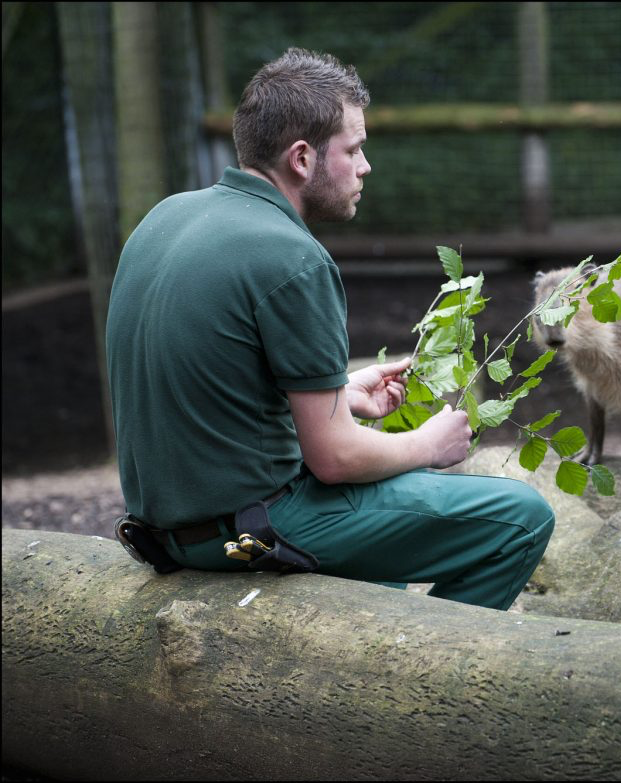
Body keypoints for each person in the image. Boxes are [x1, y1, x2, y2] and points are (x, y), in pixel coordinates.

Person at [106, 48, 554, 611]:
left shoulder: (165, 217)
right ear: (301, 158)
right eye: (354, 149)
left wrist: (339, 394)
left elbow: (209, 388)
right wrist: (427, 445)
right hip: (248, 530)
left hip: (164, 531)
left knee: (383, 577)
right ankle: (427, 678)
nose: (365, 166)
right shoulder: (293, 258)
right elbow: (335, 459)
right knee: (519, 517)